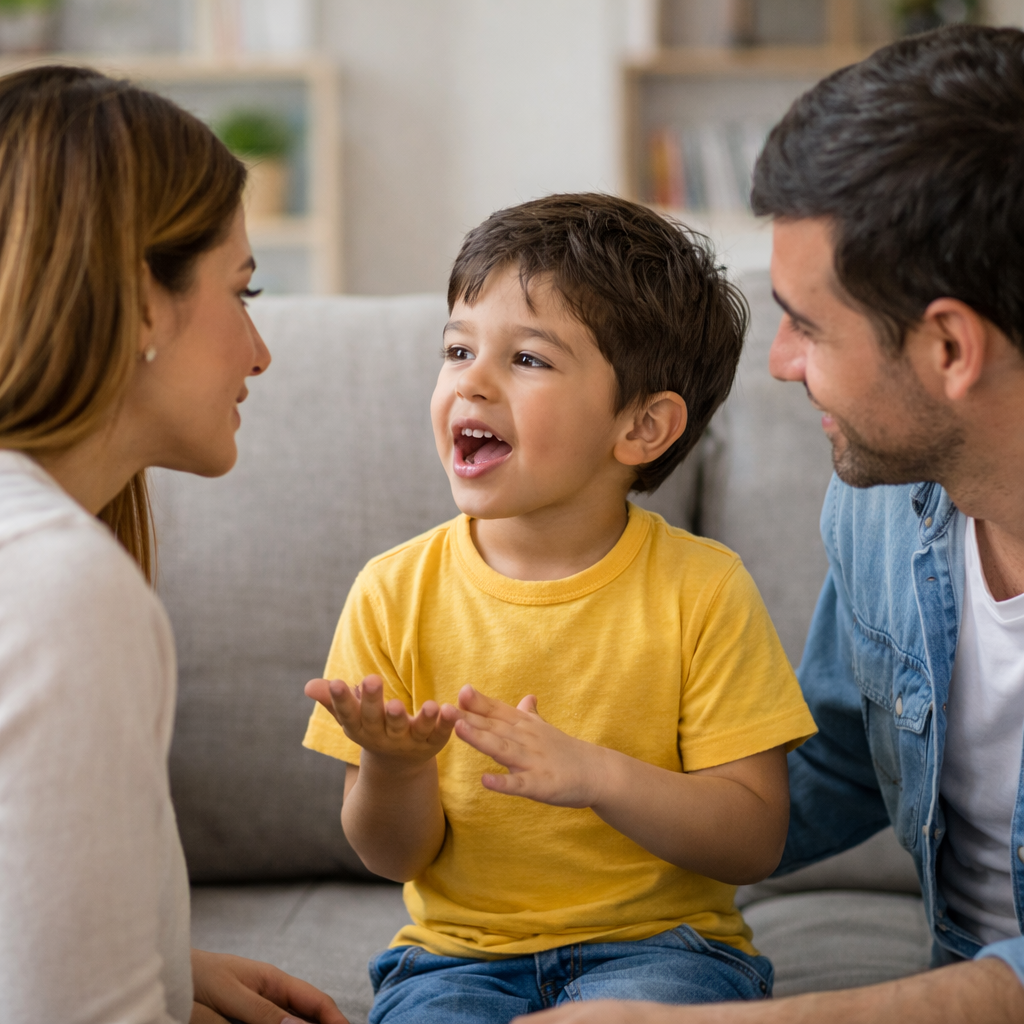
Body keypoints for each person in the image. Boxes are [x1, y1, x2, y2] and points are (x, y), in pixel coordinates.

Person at [518, 24, 1024, 1024]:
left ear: (949, 346)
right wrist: (579, 787)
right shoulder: (883, 503)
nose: (780, 361)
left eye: (806, 322)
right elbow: (832, 758)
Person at [302, 193, 818, 1024]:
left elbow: (754, 839)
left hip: (667, 951)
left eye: (528, 360)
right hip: (455, 961)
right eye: (458, 348)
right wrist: (395, 769)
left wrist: (598, 776)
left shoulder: (704, 588)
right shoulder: (392, 591)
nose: (471, 378)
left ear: (643, 427)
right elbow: (389, 853)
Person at [0, 65, 348, 1024]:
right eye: (244, 291)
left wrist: (158, 962)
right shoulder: (57, 588)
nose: (260, 349)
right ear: (144, 302)